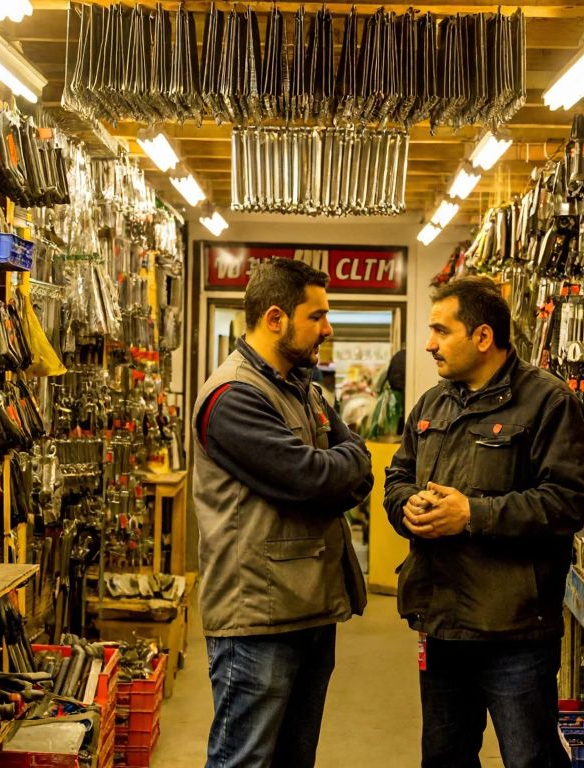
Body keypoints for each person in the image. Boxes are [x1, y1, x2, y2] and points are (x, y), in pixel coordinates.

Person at [384, 275, 584, 768]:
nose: (429, 344)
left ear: (482, 337)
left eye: (441, 330)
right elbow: (399, 475)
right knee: (444, 757)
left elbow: (566, 503)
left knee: (529, 758)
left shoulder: (549, 402)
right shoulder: (433, 402)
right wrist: (406, 506)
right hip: (441, 623)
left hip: (513, 630)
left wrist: (472, 515)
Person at [193, 258, 373, 768]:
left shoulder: (302, 388)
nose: (328, 328)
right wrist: (339, 468)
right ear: (275, 319)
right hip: (257, 618)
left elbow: (357, 468)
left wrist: (340, 467)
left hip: (309, 607)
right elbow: (312, 479)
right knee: (243, 760)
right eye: (316, 316)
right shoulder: (233, 397)